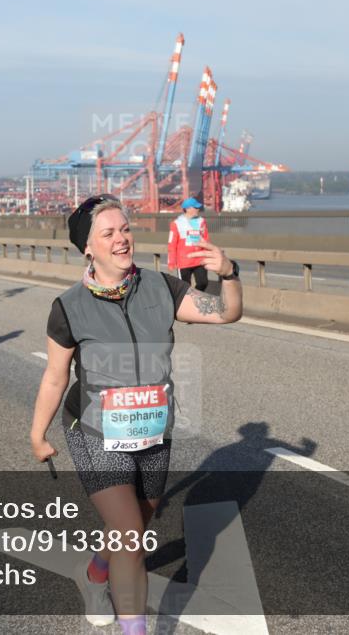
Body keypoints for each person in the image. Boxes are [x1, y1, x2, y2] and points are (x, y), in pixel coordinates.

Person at [29, 195, 242, 633]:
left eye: (125, 229)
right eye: (108, 233)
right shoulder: (68, 307)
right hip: (94, 430)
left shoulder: (163, 288)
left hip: (151, 428)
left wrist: (230, 274)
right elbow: (55, 376)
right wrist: (37, 434)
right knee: (130, 535)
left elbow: (225, 313)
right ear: (88, 248)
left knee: (136, 521)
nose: (122, 239)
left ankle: (95, 575)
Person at [167, 197, 210, 291]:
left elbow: (206, 240)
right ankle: (188, 303)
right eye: (195, 207)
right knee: (185, 288)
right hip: (183, 262)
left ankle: (196, 297)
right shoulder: (176, 224)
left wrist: (207, 255)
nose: (198, 209)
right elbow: (172, 244)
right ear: (188, 209)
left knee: (203, 283)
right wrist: (171, 262)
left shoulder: (201, 221)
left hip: (199, 260)